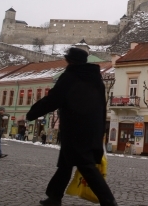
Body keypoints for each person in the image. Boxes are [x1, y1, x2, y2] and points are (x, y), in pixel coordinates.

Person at [26, 47, 117, 206]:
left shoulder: (70, 77)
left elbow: (53, 99)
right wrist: (100, 128)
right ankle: (54, 197)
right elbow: (102, 107)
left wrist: (32, 113)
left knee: (86, 166)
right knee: (66, 164)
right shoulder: (96, 79)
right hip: (91, 128)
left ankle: (108, 201)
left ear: (69, 60)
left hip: (75, 128)